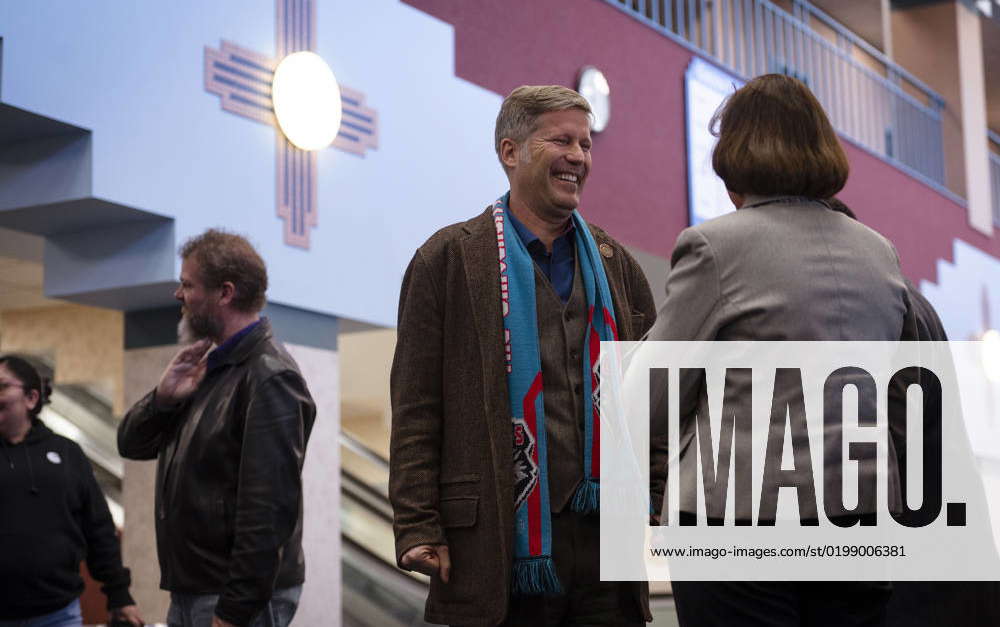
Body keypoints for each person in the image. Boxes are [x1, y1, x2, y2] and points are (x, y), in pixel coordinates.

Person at [646, 74, 915, 626]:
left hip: (741, 525)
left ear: (735, 156)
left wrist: (654, 477)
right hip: (859, 521)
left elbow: (656, 391)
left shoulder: (715, 246)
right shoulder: (880, 254)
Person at [389, 84, 657, 626]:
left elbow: (652, 394)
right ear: (510, 152)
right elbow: (416, 405)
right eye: (561, 140)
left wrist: (655, 489)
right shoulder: (446, 261)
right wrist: (417, 522)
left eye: (585, 144)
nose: (579, 157)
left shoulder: (617, 265)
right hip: (492, 547)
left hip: (607, 550)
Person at [117, 230, 316, 627]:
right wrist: (162, 397)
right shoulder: (209, 369)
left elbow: (268, 509)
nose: (178, 294)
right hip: (196, 590)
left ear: (225, 293)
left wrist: (234, 611)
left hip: (233, 598)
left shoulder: (269, 376)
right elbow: (131, 443)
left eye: (187, 284)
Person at [0, 355, 143, 627]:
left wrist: (119, 594)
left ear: (31, 398)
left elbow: (98, 528)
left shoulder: (67, 453)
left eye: (2, 387)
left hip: (58, 614)